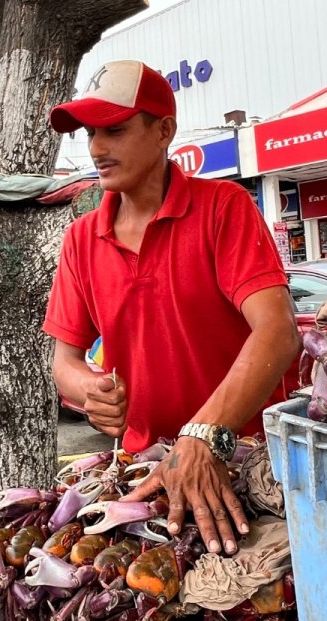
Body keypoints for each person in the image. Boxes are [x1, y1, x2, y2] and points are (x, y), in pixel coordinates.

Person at [44, 60, 301, 557]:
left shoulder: (224, 207)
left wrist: (204, 435)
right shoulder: (80, 239)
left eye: (115, 130)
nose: (96, 148)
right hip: (145, 471)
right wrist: (89, 390)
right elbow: (65, 362)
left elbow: (278, 330)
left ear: (164, 131)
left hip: (249, 461)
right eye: (91, 133)